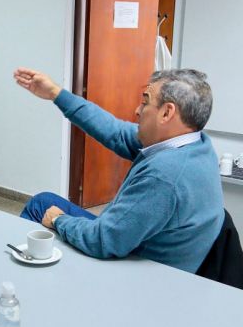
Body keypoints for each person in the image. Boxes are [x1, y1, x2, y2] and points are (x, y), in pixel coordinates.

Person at [14, 67, 224, 273]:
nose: (137, 111)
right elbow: (114, 131)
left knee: (44, 210)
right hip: (136, 243)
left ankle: (23, 279)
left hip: (137, 272)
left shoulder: (165, 175)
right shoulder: (196, 145)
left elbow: (102, 240)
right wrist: (55, 93)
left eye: (145, 103)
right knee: (43, 202)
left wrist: (59, 221)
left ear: (167, 112)